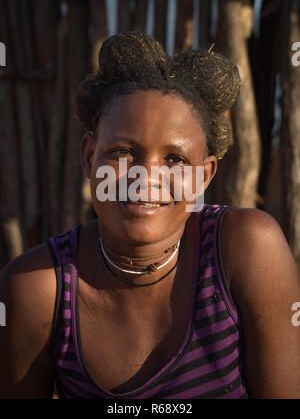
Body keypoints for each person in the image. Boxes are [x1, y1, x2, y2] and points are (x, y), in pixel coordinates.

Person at [0, 32, 300, 400]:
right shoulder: (37, 289)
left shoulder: (247, 248)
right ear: (88, 157)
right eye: (124, 151)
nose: (145, 178)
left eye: (175, 159)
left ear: (203, 176)